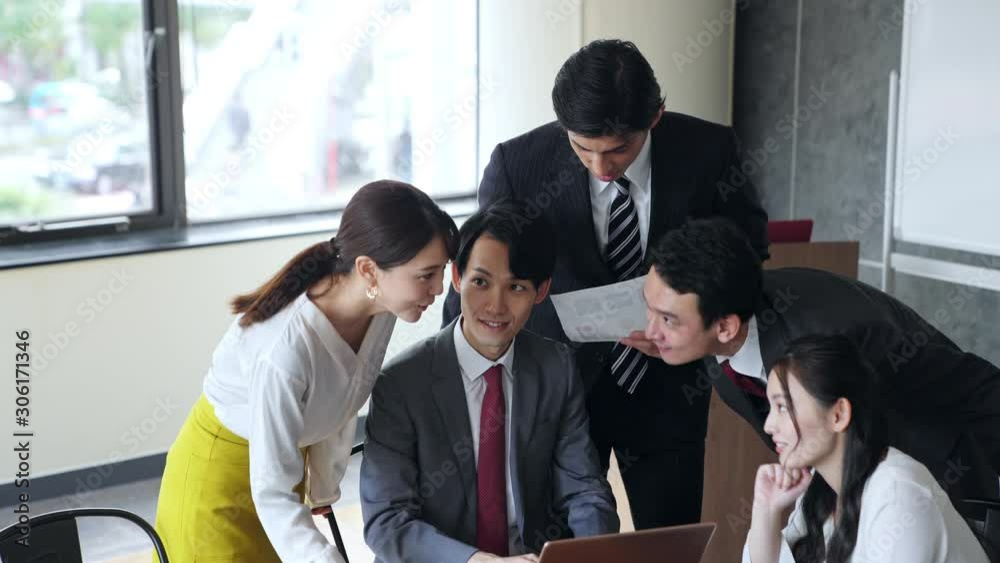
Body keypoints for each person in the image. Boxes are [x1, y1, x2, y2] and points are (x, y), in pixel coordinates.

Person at [442, 38, 769, 529]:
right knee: (560, 541)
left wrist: (690, 326)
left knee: (668, 541)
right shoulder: (519, 163)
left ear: (655, 117)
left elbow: (748, 252)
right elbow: (476, 272)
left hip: (669, 389)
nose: (600, 167)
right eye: (582, 148)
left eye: (619, 150)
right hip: (557, 388)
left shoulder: (709, 151)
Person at [153, 180, 458, 562]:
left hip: (284, 474)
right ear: (369, 270)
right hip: (219, 487)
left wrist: (322, 486)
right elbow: (271, 492)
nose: (439, 288)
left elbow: (342, 391)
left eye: (441, 271)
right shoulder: (284, 351)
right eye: (426, 275)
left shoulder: (382, 306)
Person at [642, 217, 1000, 501]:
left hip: (941, 467)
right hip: (862, 479)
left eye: (667, 319)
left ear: (725, 327)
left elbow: (976, 388)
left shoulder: (830, 340)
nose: (650, 331)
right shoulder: (723, 325)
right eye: (649, 308)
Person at [363, 201, 619, 563]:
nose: (495, 306)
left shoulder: (556, 367)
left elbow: (583, 489)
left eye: (516, 287)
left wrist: (594, 552)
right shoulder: (399, 384)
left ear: (541, 291)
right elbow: (387, 522)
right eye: (481, 282)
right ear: (457, 278)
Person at [744, 334, 990, 563]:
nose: (768, 425)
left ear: (839, 414)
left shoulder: (897, 494)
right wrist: (765, 508)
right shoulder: (820, 489)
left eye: (783, 407)